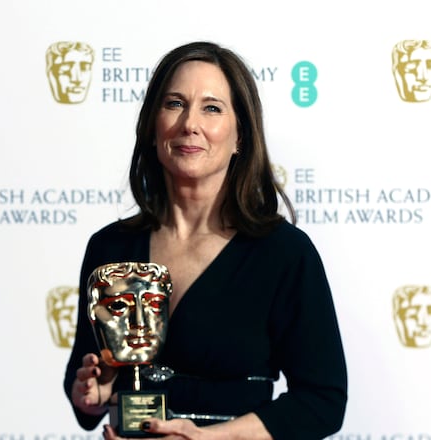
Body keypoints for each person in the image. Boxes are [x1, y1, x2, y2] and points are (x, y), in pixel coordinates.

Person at [64, 41, 347, 440]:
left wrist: (208, 438)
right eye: (175, 104)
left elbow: (323, 401)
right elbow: (87, 392)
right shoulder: (110, 248)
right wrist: (91, 394)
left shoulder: (284, 253)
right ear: (151, 127)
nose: (189, 124)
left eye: (211, 108)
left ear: (240, 137)